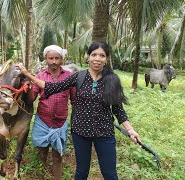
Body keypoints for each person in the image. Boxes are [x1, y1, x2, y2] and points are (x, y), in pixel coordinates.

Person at [17, 41, 140, 179]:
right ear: (88, 57)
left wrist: (130, 130)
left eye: (102, 55)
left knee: (110, 174)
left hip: (104, 133)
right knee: (81, 172)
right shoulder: (78, 77)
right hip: (80, 133)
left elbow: (118, 109)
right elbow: (52, 87)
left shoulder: (112, 80)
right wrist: (27, 74)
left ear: (107, 59)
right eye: (94, 54)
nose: (97, 59)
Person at [27, 45, 75, 179]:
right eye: (51, 58)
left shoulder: (69, 77)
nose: (54, 61)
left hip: (60, 123)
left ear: (62, 59)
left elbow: (74, 100)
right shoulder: (40, 76)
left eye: (57, 58)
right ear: (46, 59)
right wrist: (28, 87)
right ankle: (42, 174)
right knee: (42, 154)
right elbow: (31, 99)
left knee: (57, 157)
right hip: (43, 121)